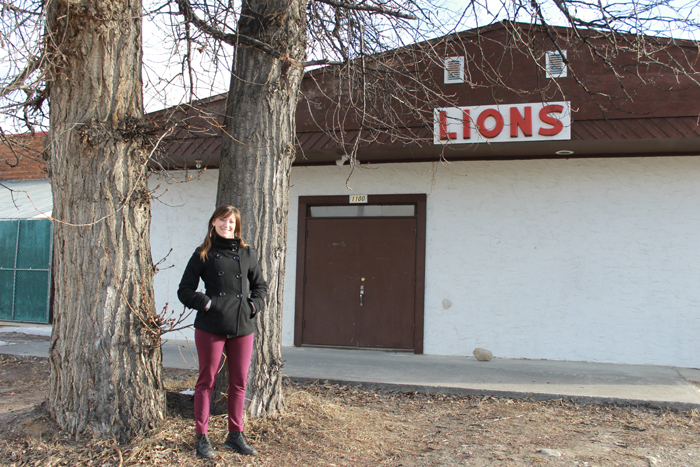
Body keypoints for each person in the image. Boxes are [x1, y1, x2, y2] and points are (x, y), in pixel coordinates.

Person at [178, 205, 268, 459]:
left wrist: (253, 305)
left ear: (236, 226)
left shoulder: (247, 253)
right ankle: (202, 437)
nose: (226, 225)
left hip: (242, 324)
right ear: (213, 222)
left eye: (231, 222)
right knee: (206, 382)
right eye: (222, 220)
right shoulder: (202, 254)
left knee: (239, 383)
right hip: (211, 324)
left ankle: (235, 436)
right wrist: (208, 303)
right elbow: (184, 290)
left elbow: (260, 287)